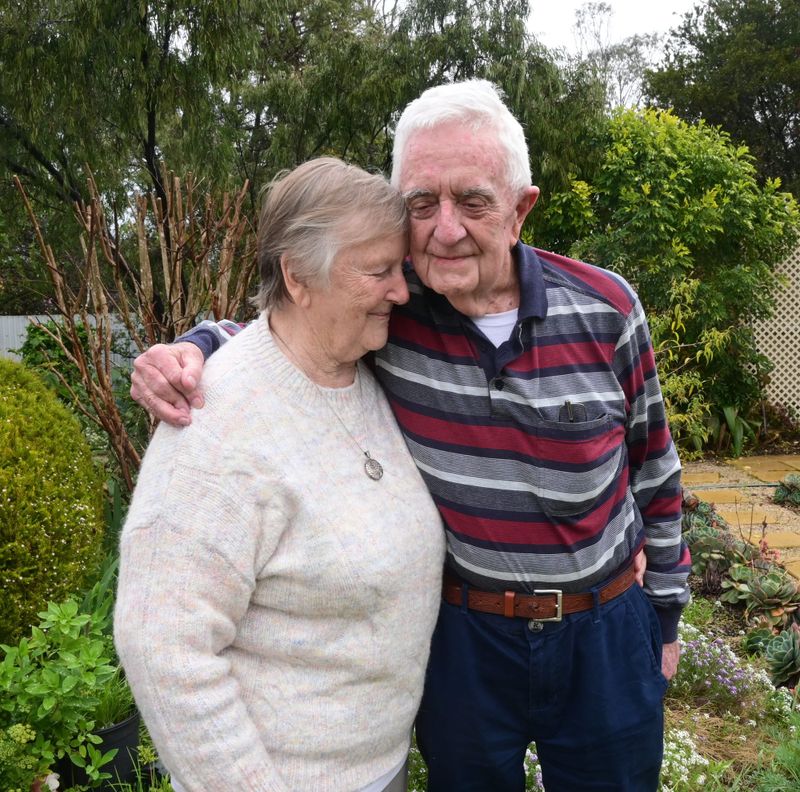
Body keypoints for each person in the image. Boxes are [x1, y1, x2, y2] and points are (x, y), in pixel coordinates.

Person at [130, 80, 691, 791]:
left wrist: (664, 621)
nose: (444, 229)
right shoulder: (398, 310)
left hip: (604, 633)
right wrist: (197, 346)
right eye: (422, 204)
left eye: (474, 201)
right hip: (467, 643)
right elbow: (292, 332)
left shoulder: (606, 309)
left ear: (522, 209)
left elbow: (655, 469)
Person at [114, 158, 446, 792]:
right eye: (376, 272)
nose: (401, 291)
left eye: (399, 269)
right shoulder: (215, 424)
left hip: (380, 771)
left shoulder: (369, 372)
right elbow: (163, 646)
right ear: (298, 277)